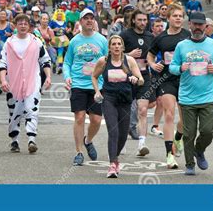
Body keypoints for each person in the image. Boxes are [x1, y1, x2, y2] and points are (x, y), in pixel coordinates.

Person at [169, 12, 213, 175]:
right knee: (189, 133)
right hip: (187, 97)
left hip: (207, 96)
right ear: (190, 25)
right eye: (195, 24)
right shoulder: (181, 46)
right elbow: (172, 67)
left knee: (208, 132)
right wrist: (180, 68)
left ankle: (199, 150)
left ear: (205, 27)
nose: (198, 27)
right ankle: (189, 164)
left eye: (201, 25)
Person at [91, 35, 144, 178]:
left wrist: (135, 79)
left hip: (125, 100)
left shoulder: (129, 61)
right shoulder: (104, 61)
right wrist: (97, 91)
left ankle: (115, 157)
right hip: (109, 99)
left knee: (122, 135)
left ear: (122, 47)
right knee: (113, 130)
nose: (116, 46)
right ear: (109, 47)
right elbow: (94, 76)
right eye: (113, 44)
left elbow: (141, 80)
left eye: (118, 44)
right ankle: (113, 164)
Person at [0, 14, 52, 153]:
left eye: (25, 23)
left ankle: (31, 139)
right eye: (20, 23)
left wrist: (48, 77)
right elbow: (3, 63)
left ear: (29, 26)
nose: (22, 26)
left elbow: (45, 60)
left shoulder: (36, 42)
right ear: (15, 26)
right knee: (14, 111)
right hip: (14, 82)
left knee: (31, 109)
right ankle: (14, 140)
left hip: (33, 81)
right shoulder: (9, 43)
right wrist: (3, 80)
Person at [147, 4, 191, 169]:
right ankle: (169, 155)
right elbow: (150, 54)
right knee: (169, 114)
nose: (178, 18)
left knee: (185, 120)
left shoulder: (188, 36)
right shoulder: (161, 38)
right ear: (169, 18)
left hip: (186, 80)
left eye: (181, 16)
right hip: (166, 79)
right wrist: (152, 64)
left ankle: (178, 138)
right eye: (175, 16)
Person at [63, 9, 108, 166]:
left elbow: (108, 61)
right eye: (85, 18)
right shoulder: (75, 41)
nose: (89, 20)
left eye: (91, 18)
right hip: (78, 84)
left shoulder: (102, 40)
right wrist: (67, 77)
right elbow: (67, 62)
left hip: (97, 85)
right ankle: (79, 152)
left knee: (96, 119)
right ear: (80, 22)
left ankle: (88, 141)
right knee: (79, 117)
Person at [120, 10, 154, 157]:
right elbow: (113, 54)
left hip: (144, 76)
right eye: (139, 20)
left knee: (143, 110)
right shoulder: (125, 35)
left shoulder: (150, 36)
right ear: (133, 20)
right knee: (124, 112)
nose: (142, 23)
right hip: (126, 76)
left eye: (144, 20)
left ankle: (142, 144)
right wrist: (128, 55)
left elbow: (154, 55)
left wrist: (151, 62)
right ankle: (120, 144)